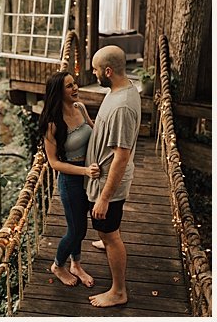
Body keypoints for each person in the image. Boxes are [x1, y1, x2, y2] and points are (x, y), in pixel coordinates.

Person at [85, 45, 140, 308]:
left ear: (108, 71)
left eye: (96, 69)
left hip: (110, 183)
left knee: (111, 236)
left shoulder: (122, 107)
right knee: (106, 232)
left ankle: (119, 291)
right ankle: (105, 237)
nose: (93, 73)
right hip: (102, 176)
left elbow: (121, 156)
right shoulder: (121, 89)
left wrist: (104, 198)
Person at [36, 72, 100, 288]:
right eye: (69, 86)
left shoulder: (80, 108)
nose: (75, 88)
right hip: (71, 181)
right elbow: (53, 163)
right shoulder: (52, 124)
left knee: (81, 224)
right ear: (58, 92)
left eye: (75, 84)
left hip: (90, 175)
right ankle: (58, 265)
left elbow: (94, 131)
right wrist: (84, 172)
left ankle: (76, 264)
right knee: (77, 230)